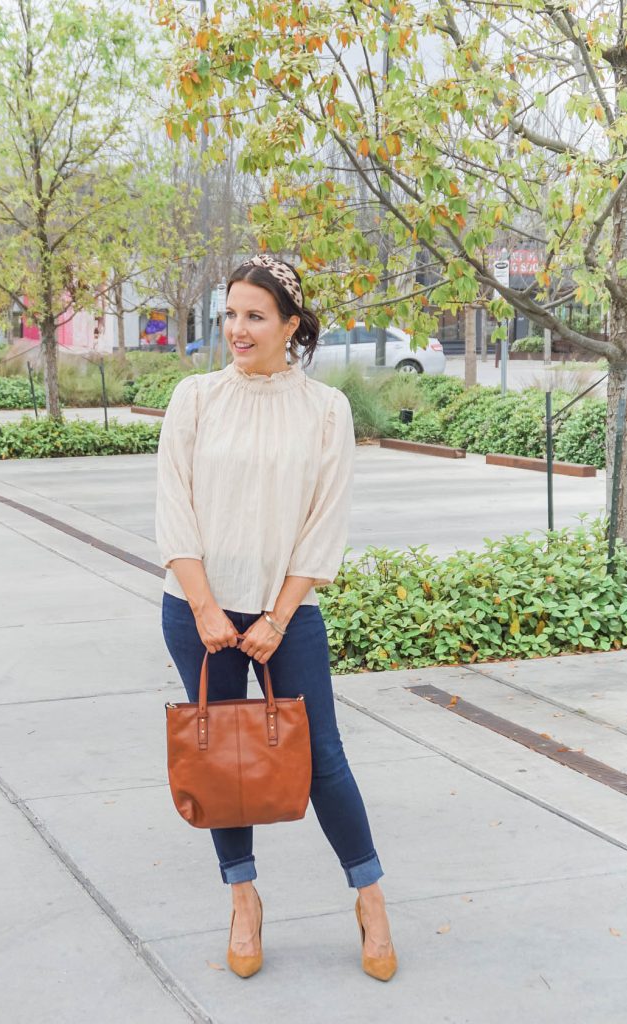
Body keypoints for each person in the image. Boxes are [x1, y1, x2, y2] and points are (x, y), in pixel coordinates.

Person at [155, 253, 397, 982]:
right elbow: (175, 513)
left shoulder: (325, 410)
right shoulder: (194, 398)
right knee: (222, 763)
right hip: (197, 611)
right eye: (230, 314)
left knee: (321, 758)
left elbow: (324, 526)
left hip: (286, 612)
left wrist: (275, 617)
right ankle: (242, 899)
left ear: (290, 326)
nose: (238, 328)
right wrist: (204, 607)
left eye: (255, 315)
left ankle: (371, 898)